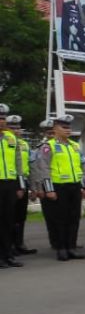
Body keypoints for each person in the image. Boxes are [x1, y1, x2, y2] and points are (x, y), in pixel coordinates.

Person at [32, 114, 85, 262]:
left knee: (74, 218)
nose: (68, 130)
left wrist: (84, 187)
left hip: (74, 185)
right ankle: (61, 248)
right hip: (58, 186)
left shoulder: (74, 146)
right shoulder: (48, 146)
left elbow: (81, 168)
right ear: (56, 129)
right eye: (64, 127)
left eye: (69, 127)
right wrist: (49, 189)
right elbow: (44, 169)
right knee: (60, 218)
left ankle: (72, 247)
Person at [0, 105, 25, 267]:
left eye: (3, 118)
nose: (2, 121)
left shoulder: (11, 138)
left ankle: (7, 254)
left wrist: (20, 186)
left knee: (8, 220)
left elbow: (18, 164)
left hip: (9, 184)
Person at [7, 115, 36, 256]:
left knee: (20, 216)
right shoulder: (6, 143)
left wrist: (33, 188)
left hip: (23, 181)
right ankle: (9, 245)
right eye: (12, 128)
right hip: (10, 182)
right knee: (9, 216)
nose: (16, 130)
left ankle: (19, 243)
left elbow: (30, 166)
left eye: (18, 128)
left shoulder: (24, 144)